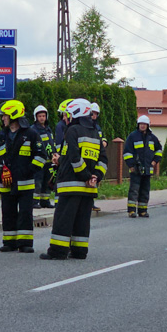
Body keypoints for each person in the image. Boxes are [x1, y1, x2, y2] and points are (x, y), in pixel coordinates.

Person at [41, 98, 108, 260]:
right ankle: (79, 251)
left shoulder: (72, 131)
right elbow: (103, 160)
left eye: (68, 115)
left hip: (71, 186)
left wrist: (86, 176)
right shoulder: (95, 133)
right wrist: (95, 177)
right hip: (89, 188)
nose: (65, 118)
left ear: (77, 113)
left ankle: (57, 251)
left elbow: (74, 157)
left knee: (63, 219)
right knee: (82, 221)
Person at [0, 100, 46, 253]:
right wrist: (0, 170)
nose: (3, 119)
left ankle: (25, 243)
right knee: (8, 212)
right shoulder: (1, 136)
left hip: (25, 183)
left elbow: (41, 156)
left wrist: (28, 170)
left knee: (25, 213)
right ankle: (9, 242)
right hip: (6, 183)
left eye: (5, 116)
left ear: (13, 116)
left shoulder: (31, 134)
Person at [123, 115, 163, 218]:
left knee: (145, 191)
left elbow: (159, 150)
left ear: (148, 125)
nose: (142, 126)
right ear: (138, 125)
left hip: (147, 170)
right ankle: (131, 211)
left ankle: (142, 211)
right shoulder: (132, 136)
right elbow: (127, 152)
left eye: (144, 124)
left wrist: (155, 161)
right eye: (141, 124)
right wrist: (131, 165)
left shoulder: (152, 138)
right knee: (134, 190)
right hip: (135, 169)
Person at [30, 105, 55, 209]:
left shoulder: (48, 129)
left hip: (49, 161)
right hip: (39, 161)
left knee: (47, 182)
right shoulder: (33, 130)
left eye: (43, 116)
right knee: (37, 181)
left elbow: (51, 143)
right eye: (40, 116)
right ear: (36, 117)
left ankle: (45, 201)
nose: (42, 118)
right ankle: (34, 202)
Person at [90, 102, 108, 213]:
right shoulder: (87, 126)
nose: (94, 116)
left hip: (97, 155)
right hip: (90, 155)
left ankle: (92, 202)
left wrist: (105, 141)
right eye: (92, 113)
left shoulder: (97, 127)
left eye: (96, 114)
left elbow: (101, 137)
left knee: (95, 178)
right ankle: (89, 203)